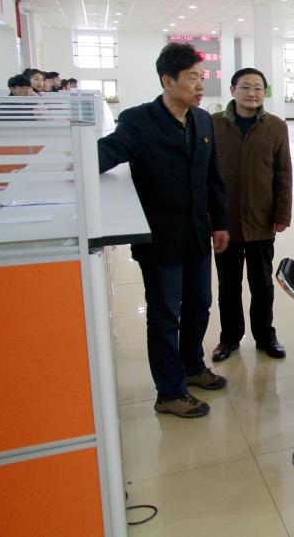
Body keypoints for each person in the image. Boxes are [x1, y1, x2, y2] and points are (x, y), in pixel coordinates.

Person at [97, 42, 230, 419]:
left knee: (199, 304)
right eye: (191, 78)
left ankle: (192, 366)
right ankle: (169, 392)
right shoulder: (138, 120)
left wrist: (220, 222)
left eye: (201, 77)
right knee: (165, 315)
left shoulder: (202, 120)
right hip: (160, 239)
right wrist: (68, 163)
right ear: (167, 81)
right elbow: (107, 152)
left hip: (197, 235)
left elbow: (213, 178)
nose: (200, 85)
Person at [210, 67, 292, 363]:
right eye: (245, 87)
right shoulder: (213, 124)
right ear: (232, 90)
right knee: (228, 285)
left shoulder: (276, 126)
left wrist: (282, 213)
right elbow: (205, 174)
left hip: (261, 220)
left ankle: (265, 335)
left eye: (258, 88)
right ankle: (229, 337)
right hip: (225, 222)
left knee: (262, 284)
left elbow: (283, 173)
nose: (252, 93)